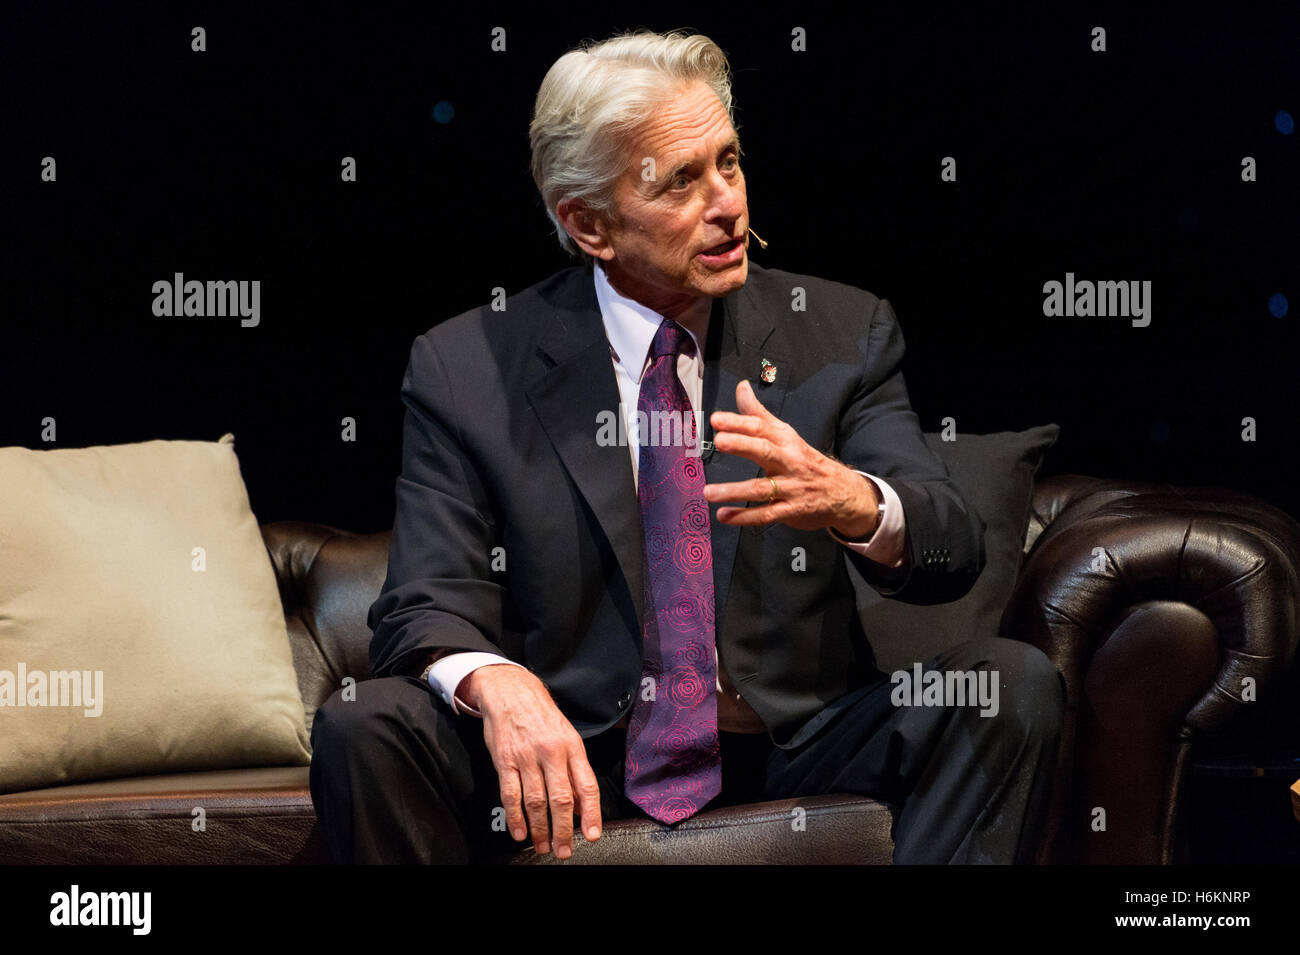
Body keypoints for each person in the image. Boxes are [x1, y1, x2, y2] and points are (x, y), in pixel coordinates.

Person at [309, 28, 1064, 864]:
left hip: (792, 742)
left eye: (729, 162)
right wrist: (496, 683)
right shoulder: (468, 366)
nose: (728, 202)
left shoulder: (841, 331)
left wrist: (856, 502)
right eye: (681, 182)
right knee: (365, 722)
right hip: (579, 750)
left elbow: (950, 546)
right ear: (588, 224)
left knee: (1005, 686)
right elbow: (423, 601)